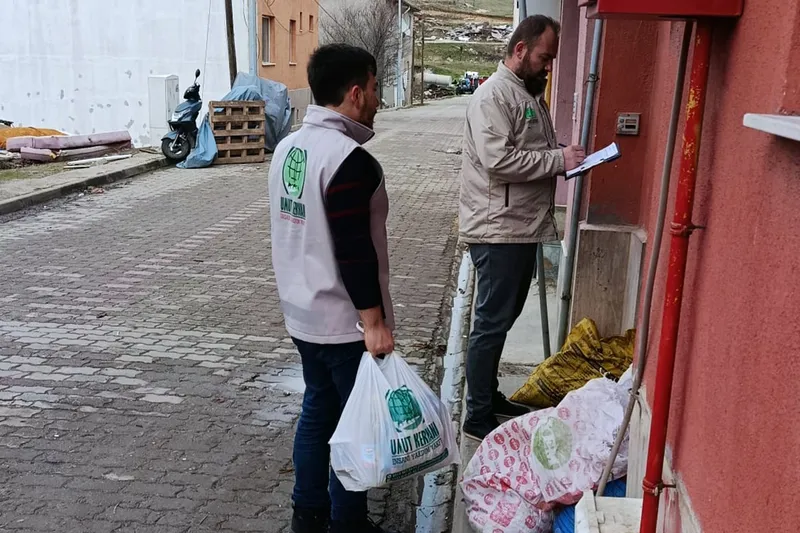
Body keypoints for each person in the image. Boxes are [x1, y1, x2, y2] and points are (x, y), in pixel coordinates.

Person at [269, 44, 396, 533]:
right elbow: (354, 250)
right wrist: (374, 322)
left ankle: (308, 514)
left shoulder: (288, 148)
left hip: (301, 314)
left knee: (318, 410)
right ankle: (347, 522)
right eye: (375, 89)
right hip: (345, 324)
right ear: (355, 92)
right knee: (353, 426)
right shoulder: (349, 160)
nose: (378, 100)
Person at [458, 15, 586, 442]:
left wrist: (563, 157)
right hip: (498, 230)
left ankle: (487, 396)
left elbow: (530, 149)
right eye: (544, 57)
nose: (549, 66)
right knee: (491, 323)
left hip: (519, 227)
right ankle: (477, 415)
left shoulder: (525, 93)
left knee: (502, 319)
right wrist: (558, 160)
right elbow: (499, 161)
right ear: (519, 49)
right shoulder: (494, 96)